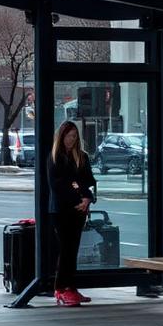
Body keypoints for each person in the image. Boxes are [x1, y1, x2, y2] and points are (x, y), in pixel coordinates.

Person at [47, 121, 97, 306]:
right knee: (66, 249)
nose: (72, 140)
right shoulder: (55, 157)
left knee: (73, 249)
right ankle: (61, 288)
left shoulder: (81, 156)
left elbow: (87, 179)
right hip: (61, 210)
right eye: (69, 136)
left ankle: (71, 287)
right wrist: (79, 193)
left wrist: (86, 198)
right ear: (61, 137)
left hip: (79, 209)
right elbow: (58, 185)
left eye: (75, 136)